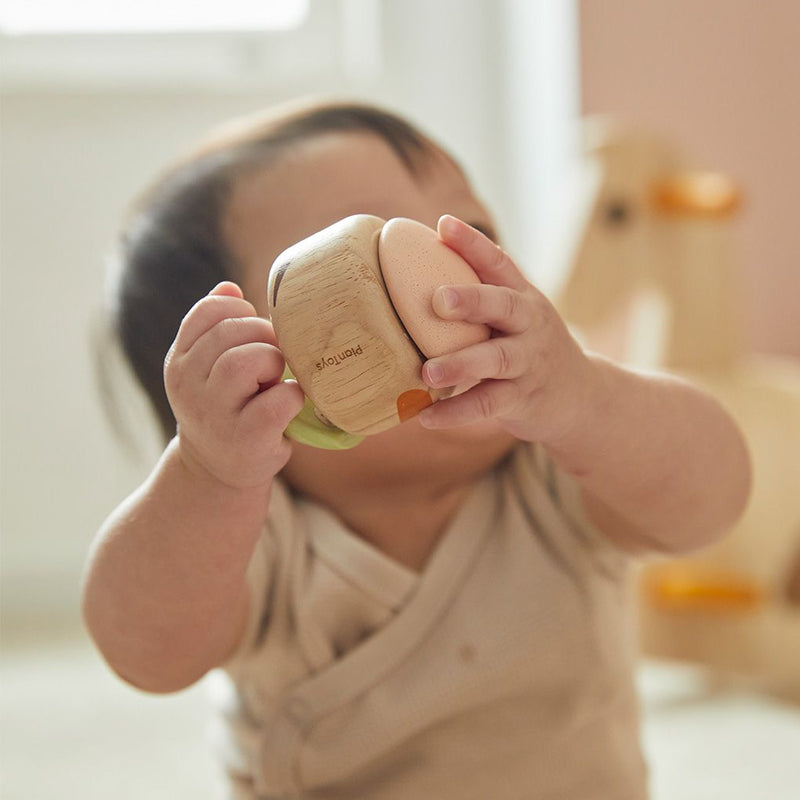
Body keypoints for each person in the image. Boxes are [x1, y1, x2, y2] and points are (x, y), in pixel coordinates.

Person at [82, 100, 751, 799]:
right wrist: (208, 477)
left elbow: (715, 498)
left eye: (474, 231)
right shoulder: (257, 537)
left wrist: (585, 397)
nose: (449, 273)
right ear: (251, 380)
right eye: (370, 262)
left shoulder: (556, 467)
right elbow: (144, 650)